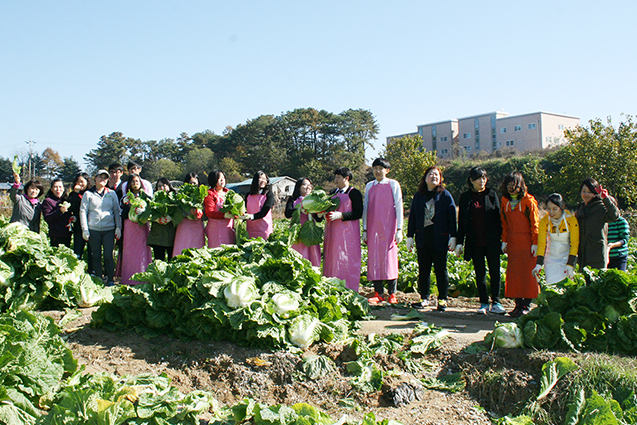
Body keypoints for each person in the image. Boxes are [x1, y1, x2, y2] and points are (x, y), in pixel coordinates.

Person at [455, 166, 505, 314]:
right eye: (478, 178)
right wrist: (459, 242)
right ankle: (483, 302)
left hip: (492, 241)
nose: (481, 181)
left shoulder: (491, 195)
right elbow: (462, 221)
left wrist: (503, 239)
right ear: (471, 180)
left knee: (495, 271)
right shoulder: (465, 197)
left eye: (483, 178)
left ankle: (496, 301)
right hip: (475, 241)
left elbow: (499, 218)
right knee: (480, 273)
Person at [406, 166, 457, 312]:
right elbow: (413, 217)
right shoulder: (419, 196)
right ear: (425, 177)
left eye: (436, 175)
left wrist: (453, 236)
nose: (433, 177)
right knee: (424, 270)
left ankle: (443, 299)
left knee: (441, 270)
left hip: (440, 239)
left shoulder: (445, 195)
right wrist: (410, 236)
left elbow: (452, 217)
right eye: (430, 174)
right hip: (423, 239)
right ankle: (424, 298)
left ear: (440, 178)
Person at [363, 158, 403, 305]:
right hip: (373, 228)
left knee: (390, 259)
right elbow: (366, 208)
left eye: (381, 168)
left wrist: (399, 229)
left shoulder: (393, 184)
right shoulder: (369, 186)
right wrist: (365, 229)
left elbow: (399, 206)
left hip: (389, 227)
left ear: (387, 170)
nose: (378, 171)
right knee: (375, 260)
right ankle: (378, 293)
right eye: (375, 168)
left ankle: (392, 293)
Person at [500, 171, 539, 317]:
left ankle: (526, 305)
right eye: (509, 184)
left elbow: (535, 224)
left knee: (528, 274)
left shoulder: (529, 201)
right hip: (513, 243)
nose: (512, 187)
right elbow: (504, 223)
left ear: (521, 185)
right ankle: (517, 305)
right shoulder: (504, 201)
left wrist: (535, 242)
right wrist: (504, 240)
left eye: (515, 184)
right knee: (514, 274)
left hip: (527, 242)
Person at [323, 167, 363, 291]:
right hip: (332, 231)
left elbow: (358, 213)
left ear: (346, 178)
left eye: (338, 177)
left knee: (347, 258)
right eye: (335, 177)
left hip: (348, 233)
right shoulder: (333, 192)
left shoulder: (354, 193)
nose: (335, 180)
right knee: (332, 257)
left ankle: (349, 286)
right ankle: (331, 284)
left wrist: (341, 215)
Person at [79, 169, 122, 285]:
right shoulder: (88, 194)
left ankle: (110, 279)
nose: (102, 180)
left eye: (105, 178)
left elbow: (116, 211)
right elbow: (83, 211)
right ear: (95, 178)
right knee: (96, 256)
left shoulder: (111, 194)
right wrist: (85, 229)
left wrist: (118, 227)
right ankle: (98, 279)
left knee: (108, 256)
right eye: (100, 177)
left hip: (109, 229)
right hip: (94, 230)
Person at [532, 193, 579, 284]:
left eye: (554, 209)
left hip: (566, 258)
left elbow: (574, 243)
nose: (551, 212)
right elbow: (542, 244)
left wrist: (570, 264)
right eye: (548, 208)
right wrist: (538, 264)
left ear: (562, 207)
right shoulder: (545, 221)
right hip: (550, 259)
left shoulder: (571, 220)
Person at [575, 178, 620, 270]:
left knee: (597, 282)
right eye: (584, 191)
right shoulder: (580, 209)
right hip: (582, 255)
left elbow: (614, 215)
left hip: (596, 256)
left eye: (589, 192)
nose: (586, 194)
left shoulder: (600, 207)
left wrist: (606, 198)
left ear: (595, 193)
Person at [119, 174, 152, 285]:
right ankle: (128, 277)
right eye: (132, 182)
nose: (135, 184)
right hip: (129, 226)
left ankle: (143, 276)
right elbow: (122, 212)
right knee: (130, 251)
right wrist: (126, 205)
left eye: (137, 181)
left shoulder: (145, 196)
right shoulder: (126, 197)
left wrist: (144, 212)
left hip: (142, 225)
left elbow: (151, 209)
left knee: (142, 251)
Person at [284, 177, 321, 267]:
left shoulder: (314, 199)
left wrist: (320, 213)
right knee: (299, 253)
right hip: (297, 231)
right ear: (299, 187)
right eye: (305, 185)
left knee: (313, 253)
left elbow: (319, 219)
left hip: (311, 231)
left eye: (310, 185)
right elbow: (288, 214)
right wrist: (299, 209)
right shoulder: (292, 200)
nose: (308, 187)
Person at [172, 172, 206, 257]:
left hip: (197, 225)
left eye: (194, 183)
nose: (192, 185)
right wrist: (188, 212)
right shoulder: (180, 195)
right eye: (190, 183)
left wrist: (200, 211)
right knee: (182, 247)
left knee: (197, 248)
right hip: (184, 224)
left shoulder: (202, 194)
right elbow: (177, 209)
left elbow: (206, 211)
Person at [68, 172, 93, 272]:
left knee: (92, 251)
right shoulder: (72, 194)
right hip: (78, 227)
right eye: (77, 182)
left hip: (91, 226)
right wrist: (75, 193)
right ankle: (76, 271)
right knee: (78, 250)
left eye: (82, 182)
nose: (80, 184)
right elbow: (72, 208)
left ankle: (92, 271)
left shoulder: (91, 193)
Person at [204, 169, 236, 248]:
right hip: (216, 229)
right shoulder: (210, 194)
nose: (222, 180)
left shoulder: (229, 193)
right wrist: (224, 215)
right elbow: (209, 212)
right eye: (219, 178)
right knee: (217, 251)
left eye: (223, 178)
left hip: (229, 228)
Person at [147, 178, 176, 262]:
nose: (162, 188)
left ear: (169, 186)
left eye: (164, 185)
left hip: (171, 233)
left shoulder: (174, 198)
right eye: (159, 186)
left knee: (172, 259)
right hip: (158, 234)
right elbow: (148, 213)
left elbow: (178, 212)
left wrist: (170, 218)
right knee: (159, 259)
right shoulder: (153, 199)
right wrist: (156, 218)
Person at [243, 171, 274, 240]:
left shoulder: (269, 194)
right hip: (251, 228)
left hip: (264, 228)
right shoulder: (248, 195)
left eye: (265, 179)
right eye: (261, 178)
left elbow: (265, 211)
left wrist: (252, 216)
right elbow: (244, 208)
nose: (263, 181)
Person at [42, 178, 72, 247]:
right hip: (55, 234)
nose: (58, 189)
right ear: (51, 189)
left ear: (63, 189)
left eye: (60, 187)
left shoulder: (66, 200)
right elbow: (47, 218)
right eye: (55, 187)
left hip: (67, 234)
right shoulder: (48, 201)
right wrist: (60, 211)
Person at [606, 198, 630, 271]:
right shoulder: (602, 222)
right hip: (605, 257)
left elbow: (624, 239)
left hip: (619, 256)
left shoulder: (621, 221)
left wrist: (612, 245)